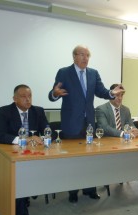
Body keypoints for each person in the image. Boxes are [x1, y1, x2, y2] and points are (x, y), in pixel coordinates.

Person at [48, 45, 124, 203]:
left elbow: (101, 91)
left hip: (89, 122)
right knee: (73, 159)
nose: (85, 58)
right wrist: (55, 94)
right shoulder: (64, 72)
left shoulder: (93, 73)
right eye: (82, 54)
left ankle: (90, 189)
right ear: (74, 56)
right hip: (71, 122)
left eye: (87, 55)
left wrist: (111, 93)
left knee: (91, 158)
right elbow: (53, 94)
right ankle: (73, 191)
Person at [0, 84, 48, 215]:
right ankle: (23, 214)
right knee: (20, 174)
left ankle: (28, 193)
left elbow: (49, 131)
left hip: (35, 155)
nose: (27, 99)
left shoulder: (38, 111)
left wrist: (41, 138)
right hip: (13, 155)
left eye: (29, 96)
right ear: (15, 99)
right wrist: (23, 140)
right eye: (23, 96)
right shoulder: (5, 111)